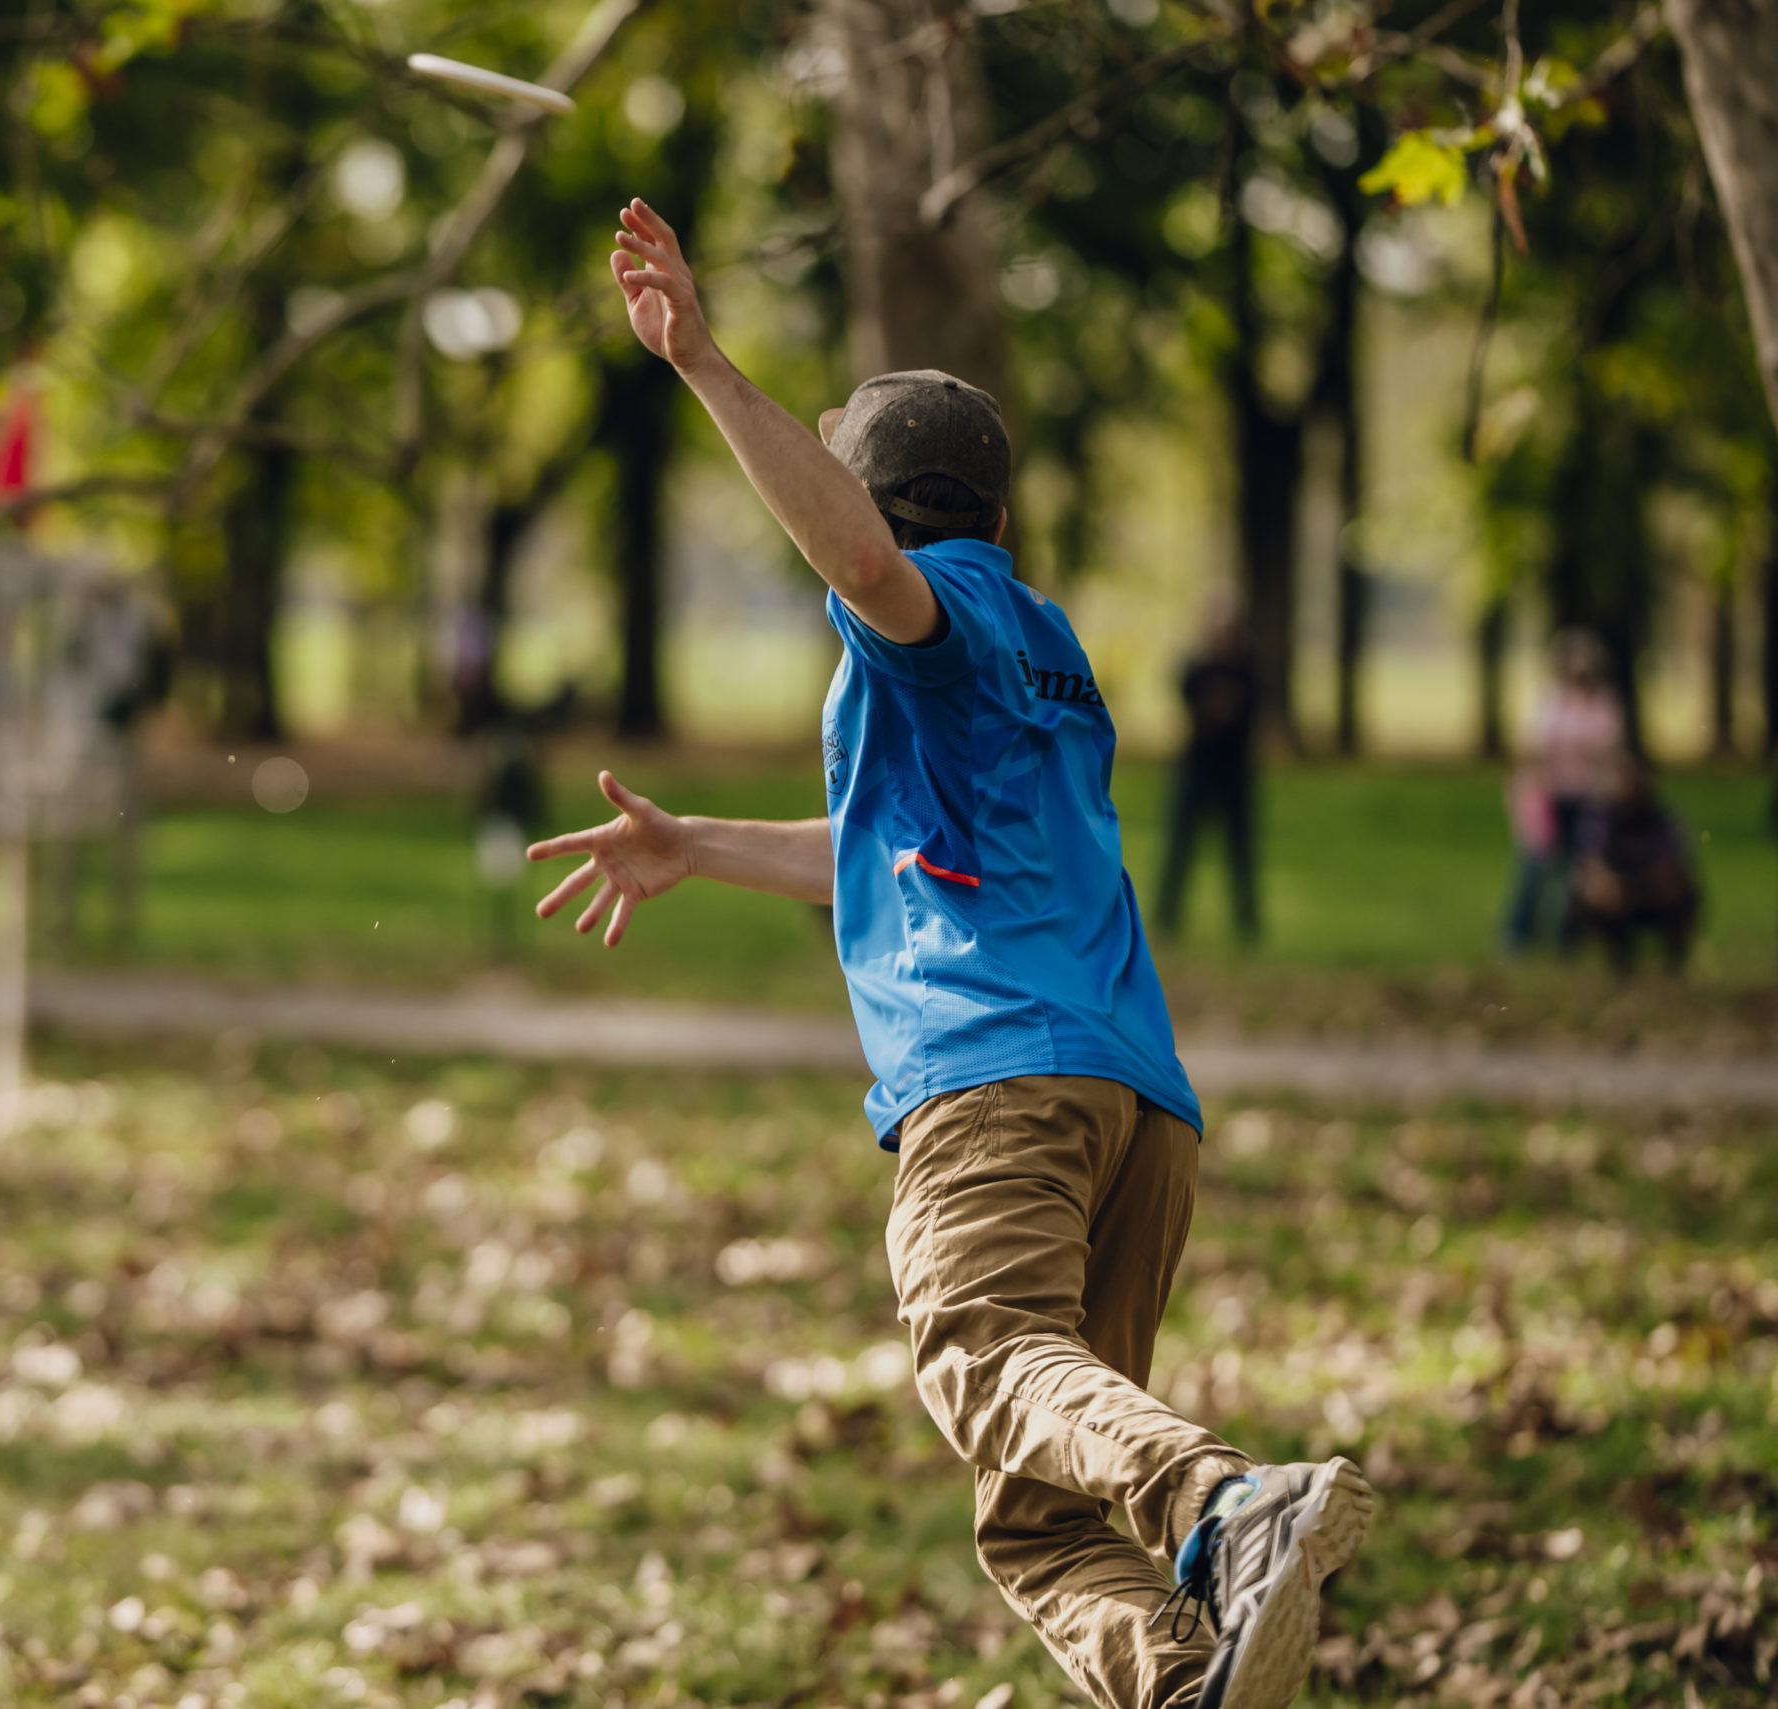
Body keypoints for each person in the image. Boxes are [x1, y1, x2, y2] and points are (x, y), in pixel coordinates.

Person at [526, 199, 1371, 1709]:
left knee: (982, 1345)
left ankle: (1221, 1499)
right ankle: (1190, 1684)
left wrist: (703, 362)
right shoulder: (1038, 644)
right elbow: (896, 854)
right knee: (1039, 1512)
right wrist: (696, 842)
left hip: (998, 1090)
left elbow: (862, 565)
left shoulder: (926, 614)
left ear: (875, 498)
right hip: (1137, 1104)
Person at [1501, 629, 1625, 954]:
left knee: (1582, 866)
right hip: (1549, 796)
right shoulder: (1550, 701)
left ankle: (1568, 935)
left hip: (1588, 795)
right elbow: (1531, 747)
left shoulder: (1604, 704)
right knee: (1536, 863)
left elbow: (1607, 750)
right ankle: (1517, 933)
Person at [1156, 600, 1259, 943]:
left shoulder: (1247, 669)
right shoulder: (1198, 668)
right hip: (1197, 765)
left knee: (1240, 851)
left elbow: (1248, 711)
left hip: (1235, 770)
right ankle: (1166, 918)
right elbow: (1188, 698)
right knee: (1180, 845)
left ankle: (1247, 923)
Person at [1563, 759, 1700, 975]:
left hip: (1650, 892)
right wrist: (1609, 885)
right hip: (1616, 896)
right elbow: (1591, 863)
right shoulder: (1600, 817)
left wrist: (1644, 887)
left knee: (1682, 893)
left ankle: (1673, 963)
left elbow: (1676, 866)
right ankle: (1617, 961)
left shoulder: (1664, 817)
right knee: (1595, 892)